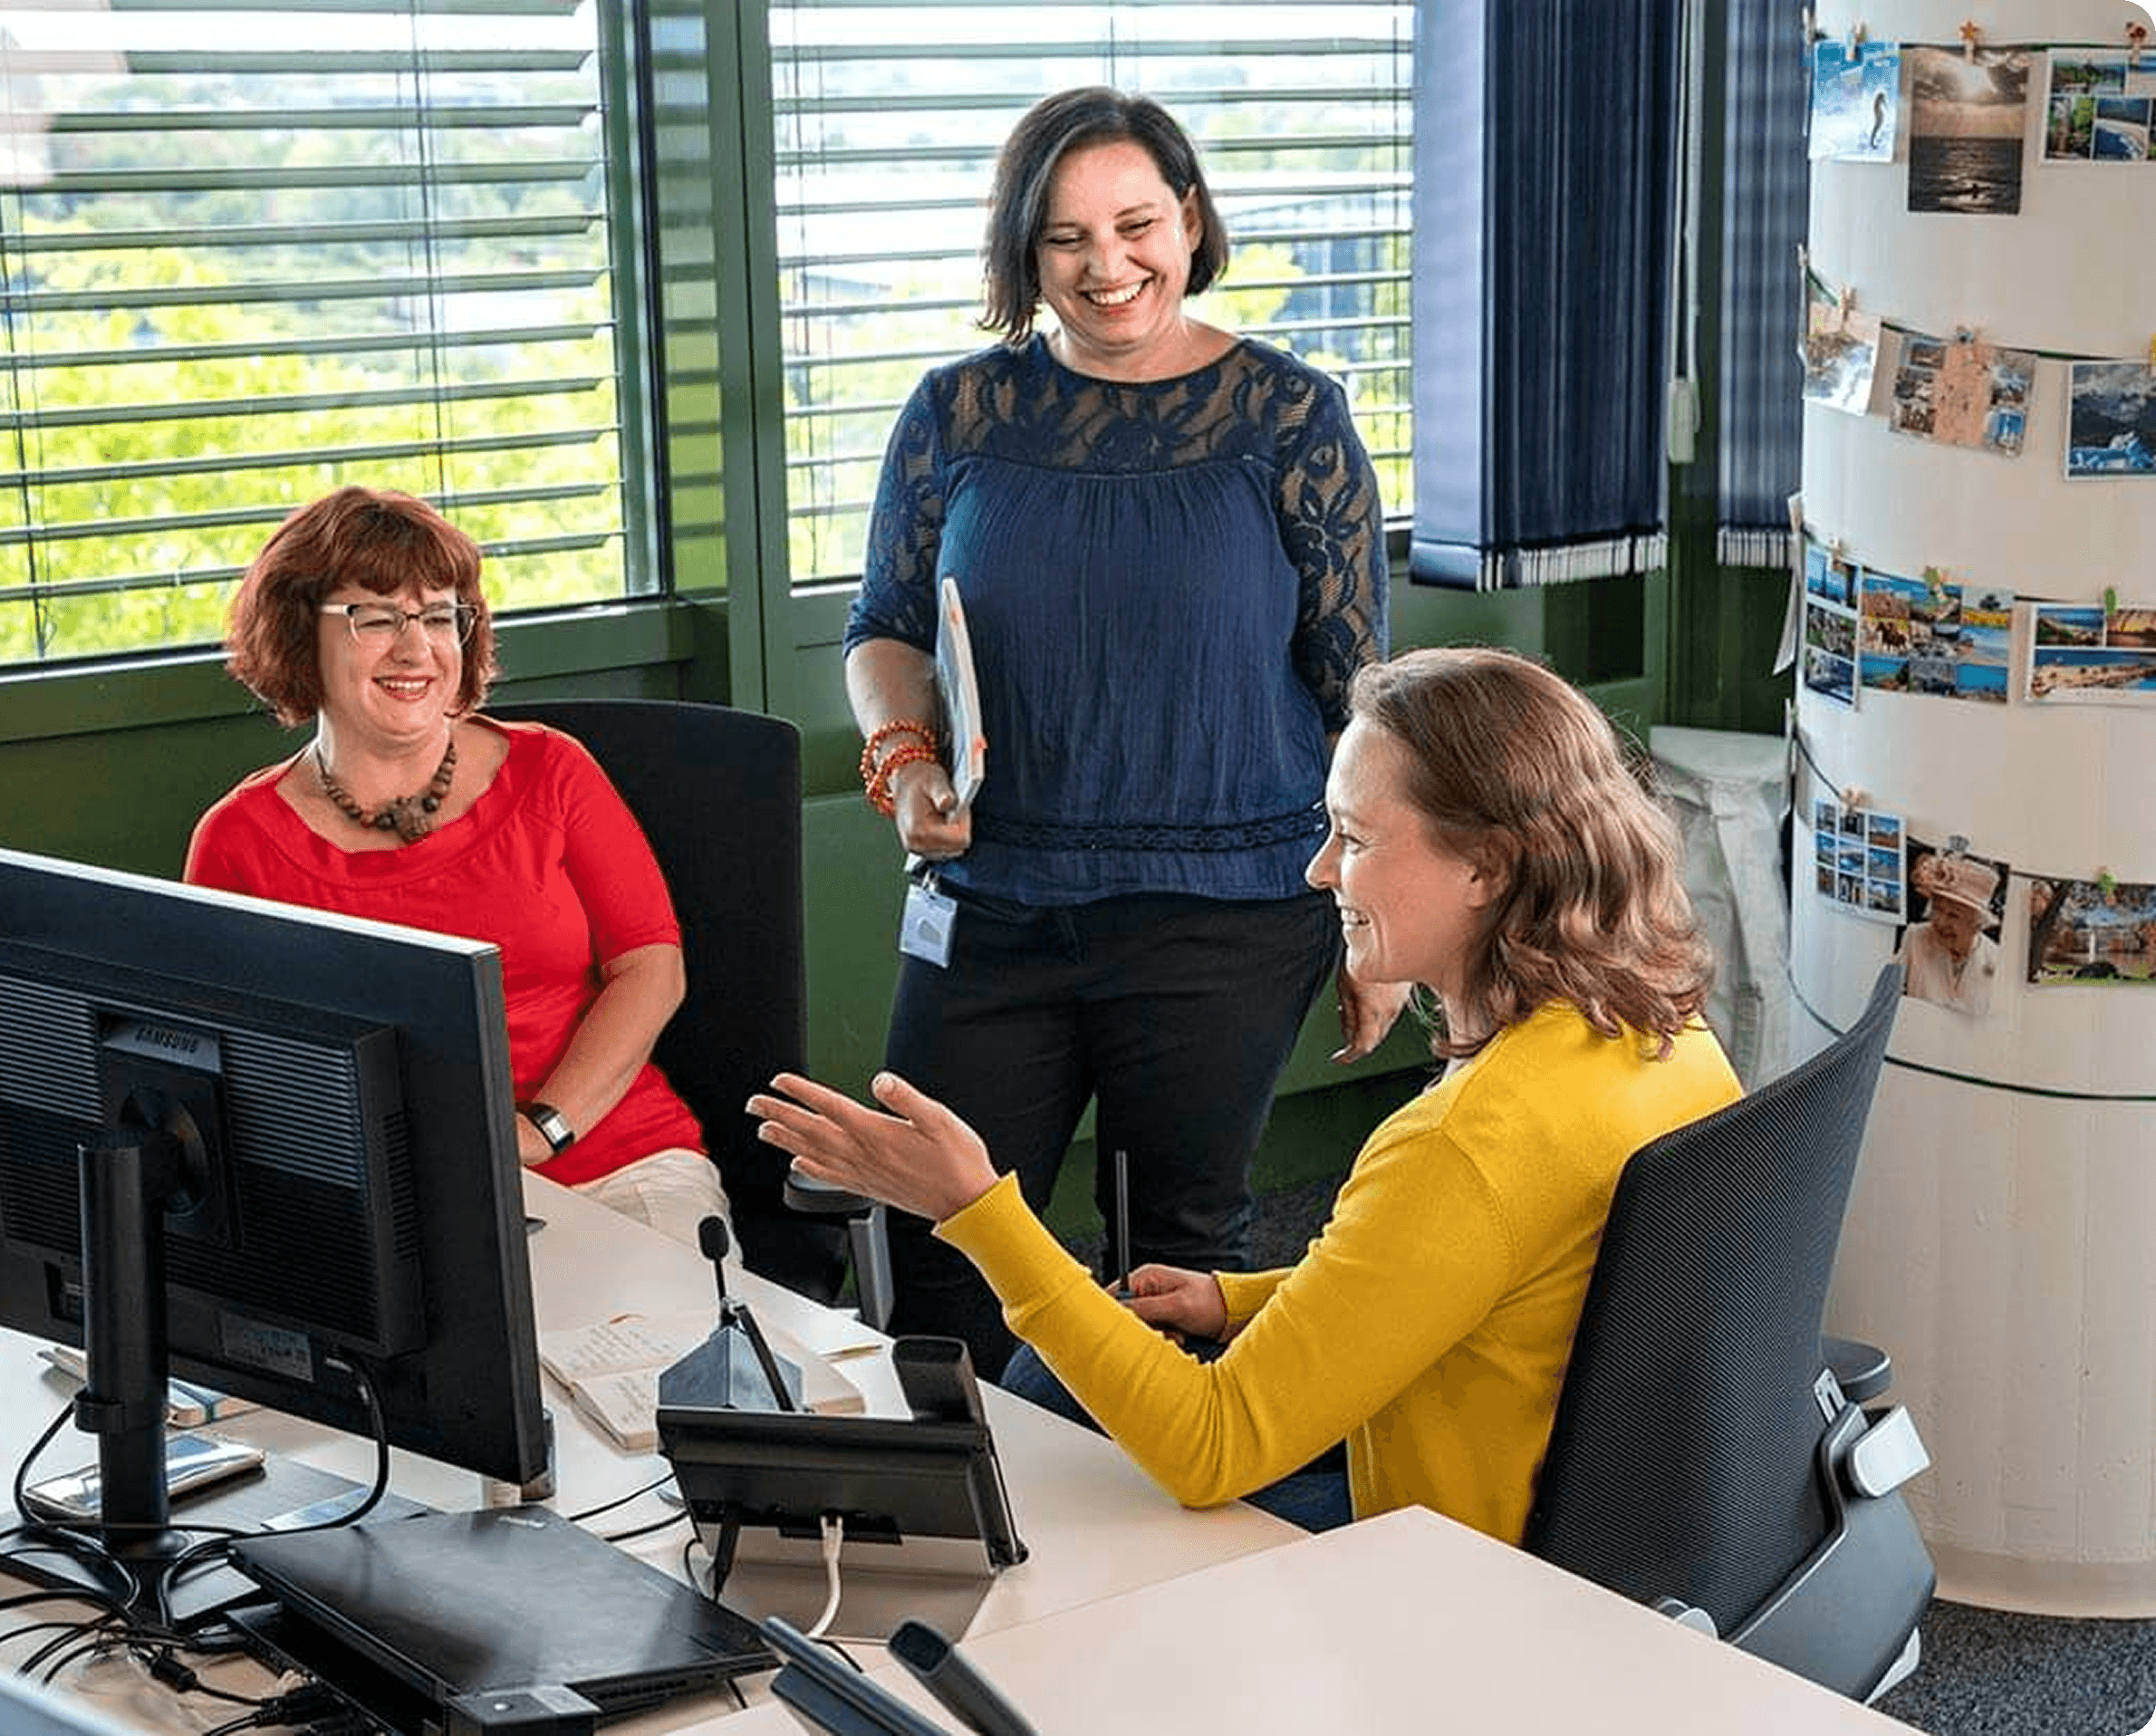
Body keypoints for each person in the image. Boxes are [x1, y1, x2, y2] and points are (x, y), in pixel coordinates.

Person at [753, 647, 1744, 1542]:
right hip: (1565, 1500)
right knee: (1052, 1378)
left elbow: (1212, 1446)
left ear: (1485, 863)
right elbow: (1485, 1277)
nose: (1321, 870)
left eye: (1354, 837)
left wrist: (975, 1210)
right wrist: (1239, 1299)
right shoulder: (1666, 1029)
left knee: (1053, 1452)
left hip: (1444, 1562)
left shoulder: (1460, 1143)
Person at [842, 86, 1394, 1376]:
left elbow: (1358, 688)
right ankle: (956, 1540)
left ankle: (1156, 1554)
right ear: (1023, 256)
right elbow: (885, 628)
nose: (1108, 265)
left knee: (1175, 1265)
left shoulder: (1289, 419)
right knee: (939, 1238)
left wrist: (1376, 920)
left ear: (1191, 221)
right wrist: (905, 759)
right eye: (1065, 239)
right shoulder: (956, 415)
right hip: (993, 904)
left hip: (1231, 911)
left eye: (1136, 222)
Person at [185, 486, 730, 1241]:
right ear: (296, 633)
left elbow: (651, 966)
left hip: (611, 1165)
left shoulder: (553, 771)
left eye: (439, 616)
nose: (415, 649)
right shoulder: (238, 841)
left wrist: (540, 1130)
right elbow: (241, 1069)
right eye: (374, 617)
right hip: (382, 1205)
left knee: (655, 1353)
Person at [1898, 853, 2003, 1017]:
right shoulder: (1915, 938)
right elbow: (1885, 996)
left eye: (1953, 915)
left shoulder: (1996, 959)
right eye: (1937, 909)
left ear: (1977, 923)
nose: (1940, 922)